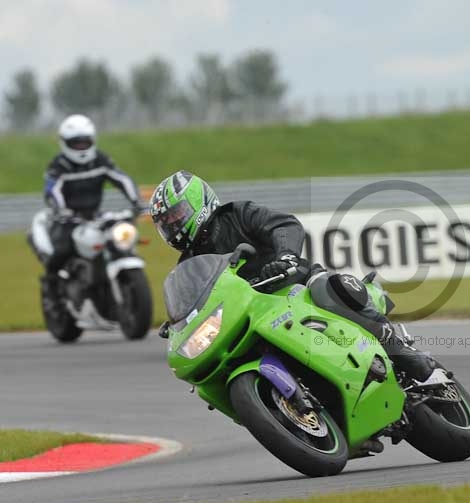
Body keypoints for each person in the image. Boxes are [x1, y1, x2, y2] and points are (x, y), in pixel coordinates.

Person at [149, 170, 437, 382]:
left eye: (176, 216)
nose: (173, 227)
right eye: (166, 224)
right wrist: (178, 323)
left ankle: (402, 353)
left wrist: (285, 256)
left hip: (291, 283)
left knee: (329, 289)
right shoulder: (188, 263)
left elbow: (284, 224)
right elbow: (196, 301)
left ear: (198, 203)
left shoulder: (237, 214)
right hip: (252, 313)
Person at [41, 114, 141, 285]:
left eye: (85, 142)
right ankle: (52, 285)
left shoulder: (100, 160)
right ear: (65, 142)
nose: (81, 147)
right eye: (76, 143)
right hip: (66, 220)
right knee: (61, 251)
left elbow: (122, 179)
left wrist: (136, 202)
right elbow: (52, 191)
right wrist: (61, 210)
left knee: (118, 242)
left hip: (95, 215)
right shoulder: (58, 166)